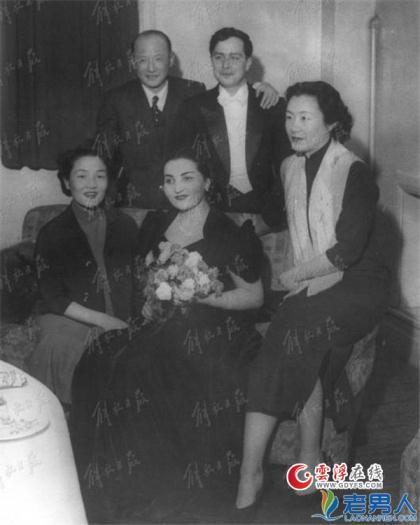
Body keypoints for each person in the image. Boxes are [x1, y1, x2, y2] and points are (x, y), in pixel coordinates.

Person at [70, 151, 264, 523]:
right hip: (161, 324)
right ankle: (100, 487)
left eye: (187, 177)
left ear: (207, 182)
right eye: (169, 180)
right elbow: (147, 281)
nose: (177, 188)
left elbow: (253, 296)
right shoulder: (157, 224)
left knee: (139, 368)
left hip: (210, 330)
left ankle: (148, 490)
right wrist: (150, 301)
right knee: (99, 356)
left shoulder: (229, 232)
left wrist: (206, 296)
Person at [234, 81, 390, 517]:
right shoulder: (289, 166)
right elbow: (272, 214)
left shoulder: (354, 171)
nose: (294, 126)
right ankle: (282, 464)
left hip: (359, 283)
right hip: (318, 284)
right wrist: (234, 235)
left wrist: (292, 277)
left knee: (294, 320)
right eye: (289, 117)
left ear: (332, 122)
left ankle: (264, 470)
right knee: (293, 327)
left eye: (305, 117)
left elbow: (348, 251)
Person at [95, 29, 279, 208]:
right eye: (142, 60)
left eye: (158, 58)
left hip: (189, 204)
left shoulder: (193, 91)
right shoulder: (115, 100)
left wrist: (260, 88)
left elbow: (229, 94)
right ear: (132, 61)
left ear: (171, 59)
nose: (151, 68)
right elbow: (103, 160)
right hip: (135, 206)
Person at [28, 146, 138, 406]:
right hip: (66, 315)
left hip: (118, 316)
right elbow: (53, 297)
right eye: (81, 176)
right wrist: (105, 321)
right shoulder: (52, 232)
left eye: (100, 176)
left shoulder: (125, 225)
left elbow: (138, 280)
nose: (91, 184)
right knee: (71, 345)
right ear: (67, 182)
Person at [173, 27, 291, 221]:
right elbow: (183, 164)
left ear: (248, 63)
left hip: (265, 213)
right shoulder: (192, 107)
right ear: (211, 60)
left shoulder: (271, 105)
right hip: (211, 213)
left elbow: (287, 165)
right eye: (219, 57)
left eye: (235, 57)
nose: (226, 65)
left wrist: (272, 213)